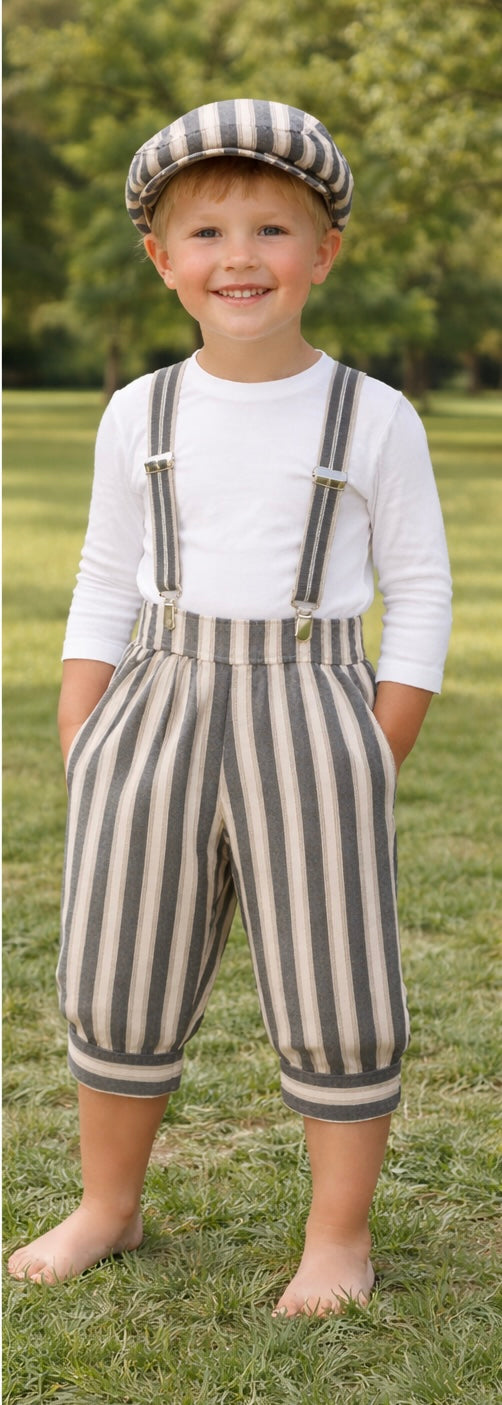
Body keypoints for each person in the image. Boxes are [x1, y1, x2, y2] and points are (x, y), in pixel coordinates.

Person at [8, 99, 452, 1314]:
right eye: (206, 232)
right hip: (153, 701)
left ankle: (338, 1237)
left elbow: (418, 589)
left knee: (335, 984)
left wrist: (378, 742)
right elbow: (106, 575)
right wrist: (84, 726)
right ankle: (108, 1204)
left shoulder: (373, 415)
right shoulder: (139, 411)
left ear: (324, 252)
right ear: (163, 259)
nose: (239, 257)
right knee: (118, 969)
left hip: (314, 702)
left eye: (272, 228)